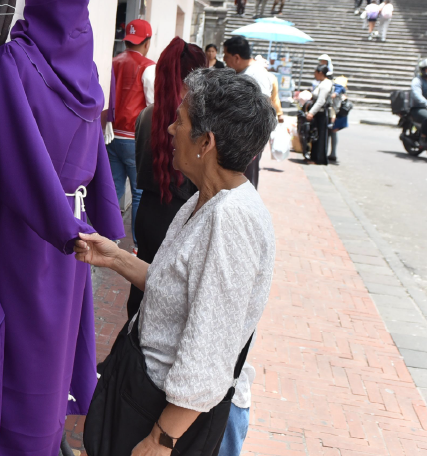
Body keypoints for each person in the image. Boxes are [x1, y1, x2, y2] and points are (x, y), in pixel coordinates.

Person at [77, 67, 277, 456]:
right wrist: (116, 258)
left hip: (160, 414)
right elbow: (176, 287)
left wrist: (160, 439)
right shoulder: (205, 200)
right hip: (141, 388)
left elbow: (211, 348)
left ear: (206, 142)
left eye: (180, 121)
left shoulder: (230, 220)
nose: (169, 129)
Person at [126, 38, 207, 318]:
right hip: (179, 217)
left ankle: (128, 355)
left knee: (140, 291)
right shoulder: (196, 124)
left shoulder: (147, 116)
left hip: (148, 214)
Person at [109, 19, 156, 235]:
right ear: (147, 43)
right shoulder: (149, 67)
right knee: (138, 193)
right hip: (135, 138)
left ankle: (106, 235)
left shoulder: (112, 61)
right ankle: (137, 244)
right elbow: (153, 105)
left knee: (111, 190)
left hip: (110, 135)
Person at [222, 36, 284, 189]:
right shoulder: (245, 73)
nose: (224, 60)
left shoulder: (254, 75)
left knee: (243, 184)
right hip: (240, 140)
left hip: (247, 141)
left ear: (236, 57)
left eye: (226, 56)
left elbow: (260, 111)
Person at [304, 65, 334, 165]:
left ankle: (318, 159)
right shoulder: (322, 83)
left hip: (321, 113)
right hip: (318, 113)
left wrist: (311, 112)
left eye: (315, 72)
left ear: (320, 73)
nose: (314, 75)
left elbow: (321, 101)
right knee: (315, 136)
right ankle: (314, 157)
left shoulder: (326, 84)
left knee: (320, 137)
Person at [329, 75, 350, 163]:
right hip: (340, 113)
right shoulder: (343, 90)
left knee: (331, 131)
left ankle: (332, 153)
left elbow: (335, 94)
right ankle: (333, 153)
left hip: (335, 113)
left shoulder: (338, 87)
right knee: (333, 132)